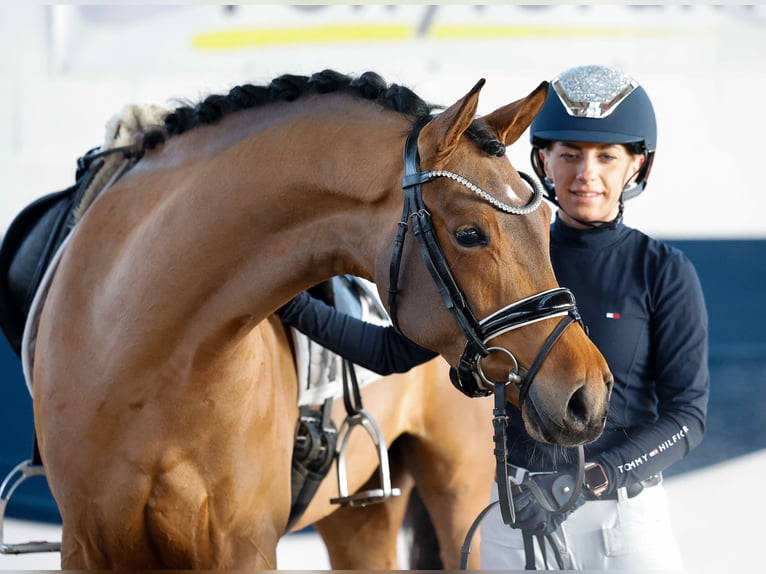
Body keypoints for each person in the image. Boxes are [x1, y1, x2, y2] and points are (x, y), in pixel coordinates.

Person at [278, 64, 709, 570]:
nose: (585, 173)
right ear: (544, 161)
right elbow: (393, 352)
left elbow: (688, 417)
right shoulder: (498, 261)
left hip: (621, 522)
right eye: (569, 155)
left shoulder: (663, 271)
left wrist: (597, 476)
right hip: (515, 513)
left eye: (606, 157)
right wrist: (290, 303)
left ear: (635, 167)